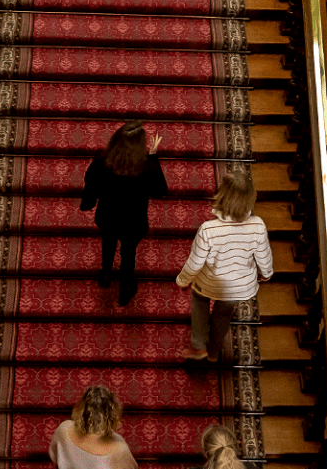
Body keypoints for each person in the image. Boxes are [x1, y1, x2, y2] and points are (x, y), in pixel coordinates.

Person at [176, 167, 273, 362]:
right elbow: (264, 255)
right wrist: (267, 272)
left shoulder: (208, 230)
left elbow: (195, 262)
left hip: (210, 282)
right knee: (223, 314)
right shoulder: (258, 225)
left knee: (200, 300)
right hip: (237, 286)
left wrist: (182, 280)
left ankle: (197, 345)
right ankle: (213, 350)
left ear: (222, 195)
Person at [80, 119, 168, 307]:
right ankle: (125, 288)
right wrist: (153, 157)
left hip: (107, 217)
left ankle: (105, 274)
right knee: (128, 253)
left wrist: (88, 203)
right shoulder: (146, 168)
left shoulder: (101, 162)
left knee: (108, 241)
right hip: (133, 222)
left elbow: (91, 184)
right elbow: (160, 190)